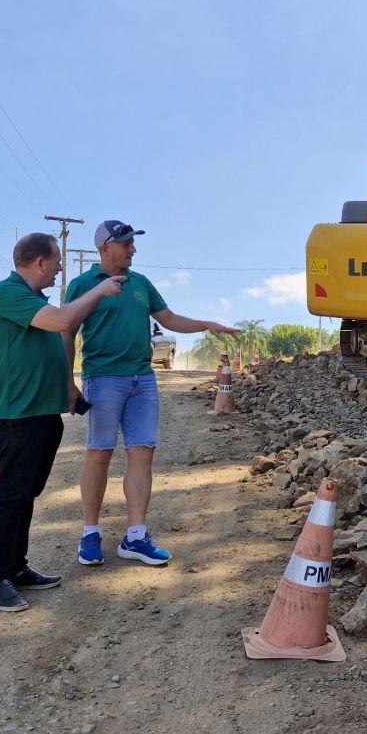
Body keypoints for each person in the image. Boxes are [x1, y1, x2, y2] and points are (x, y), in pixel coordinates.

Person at [63, 220, 238, 568]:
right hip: (103, 379)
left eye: (132, 243)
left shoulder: (141, 284)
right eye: (126, 243)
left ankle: (136, 537)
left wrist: (206, 323)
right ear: (105, 247)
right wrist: (67, 381)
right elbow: (66, 331)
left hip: (143, 380)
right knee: (99, 452)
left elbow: (169, 318)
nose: (133, 249)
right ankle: (90, 534)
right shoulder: (83, 285)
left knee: (142, 452)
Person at [0, 232, 125, 612]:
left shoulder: (29, 301)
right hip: (17, 418)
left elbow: (21, 352)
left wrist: (68, 389)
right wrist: (99, 291)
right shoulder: (6, 294)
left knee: (26, 495)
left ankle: (18, 567)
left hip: (41, 415)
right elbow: (63, 320)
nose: (61, 266)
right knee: (11, 496)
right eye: (57, 259)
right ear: (39, 261)